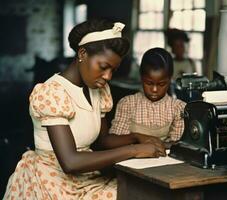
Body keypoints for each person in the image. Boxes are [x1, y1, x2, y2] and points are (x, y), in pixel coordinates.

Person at [3, 19, 166, 200]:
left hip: (87, 177)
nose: (108, 76)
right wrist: (134, 150)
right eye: (104, 67)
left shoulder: (98, 89)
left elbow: (101, 142)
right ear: (82, 54)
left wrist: (136, 137)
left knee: (142, 191)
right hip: (52, 181)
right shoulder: (52, 92)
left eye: (113, 70)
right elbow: (70, 162)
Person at [109, 47, 186, 148]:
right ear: (141, 77)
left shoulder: (178, 108)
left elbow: (177, 144)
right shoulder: (127, 104)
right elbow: (115, 140)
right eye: (149, 83)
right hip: (130, 159)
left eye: (161, 84)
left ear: (170, 79)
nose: (154, 89)